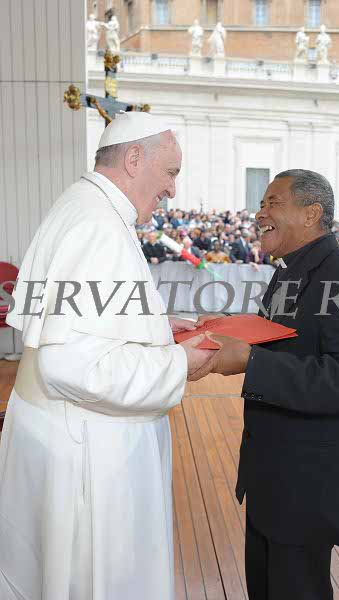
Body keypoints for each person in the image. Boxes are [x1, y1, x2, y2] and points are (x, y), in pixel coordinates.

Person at [0, 112, 216, 600]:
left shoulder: (83, 206)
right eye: (171, 172)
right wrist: (179, 363)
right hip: (89, 456)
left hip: (59, 435)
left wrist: (153, 326)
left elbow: (81, 322)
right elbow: (70, 364)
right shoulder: (98, 226)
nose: (173, 189)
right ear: (134, 158)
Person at [192, 169, 339, 599]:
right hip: (274, 482)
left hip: (306, 490)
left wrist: (252, 362)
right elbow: (284, 339)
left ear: (311, 214)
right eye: (262, 204)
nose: (260, 213)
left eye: (272, 203)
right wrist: (232, 328)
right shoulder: (289, 274)